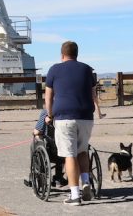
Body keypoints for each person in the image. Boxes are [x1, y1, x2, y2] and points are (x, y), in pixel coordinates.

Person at [44, 40, 103, 205]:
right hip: (85, 117)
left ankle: (75, 194)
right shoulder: (87, 70)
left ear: (62, 54)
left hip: (64, 117)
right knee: (83, 150)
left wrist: (49, 115)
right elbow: (93, 95)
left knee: (69, 155)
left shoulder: (54, 69)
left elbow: (48, 97)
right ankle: (85, 180)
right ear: (77, 54)